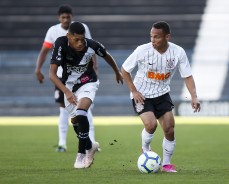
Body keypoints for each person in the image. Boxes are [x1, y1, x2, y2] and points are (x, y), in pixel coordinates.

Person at [121, 21, 201, 173]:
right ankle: (145, 148)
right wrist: (134, 91)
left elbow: (188, 76)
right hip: (142, 94)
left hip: (162, 94)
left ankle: (166, 164)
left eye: (157, 37)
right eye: (151, 36)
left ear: (167, 37)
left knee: (170, 129)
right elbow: (124, 70)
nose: (153, 40)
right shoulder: (142, 50)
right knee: (151, 125)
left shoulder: (178, 52)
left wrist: (194, 97)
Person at [49, 21, 123, 168]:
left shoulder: (91, 45)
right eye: (76, 39)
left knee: (82, 112)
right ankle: (91, 146)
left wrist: (116, 71)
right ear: (68, 36)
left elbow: (106, 55)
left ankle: (81, 154)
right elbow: (52, 74)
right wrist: (67, 92)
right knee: (75, 121)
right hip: (69, 85)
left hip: (88, 81)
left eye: (82, 39)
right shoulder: (61, 43)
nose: (80, 43)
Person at [35, 4, 98, 152]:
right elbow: (44, 50)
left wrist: (95, 67)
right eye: (62, 17)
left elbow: (92, 48)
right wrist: (38, 68)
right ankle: (62, 143)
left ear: (72, 16)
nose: (65, 19)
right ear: (59, 18)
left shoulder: (82, 28)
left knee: (84, 109)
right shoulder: (53, 31)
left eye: (67, 17)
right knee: (64, 110)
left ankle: (92, 141)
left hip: (82, 75)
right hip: (62, 77)